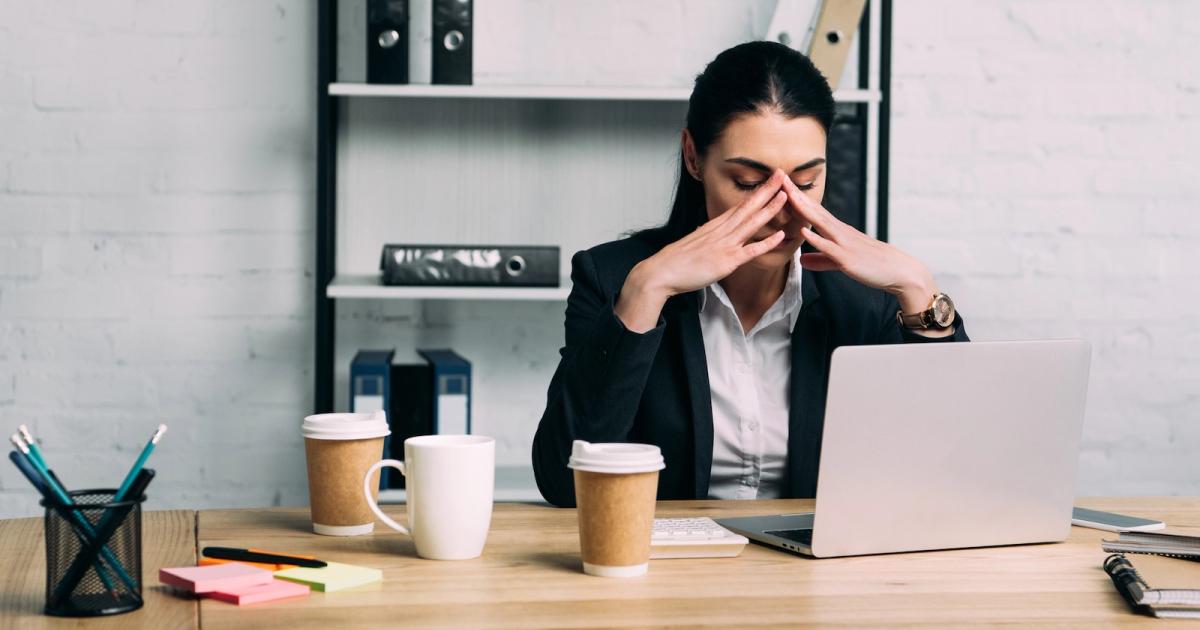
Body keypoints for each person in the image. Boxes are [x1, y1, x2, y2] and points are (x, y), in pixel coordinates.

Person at [532, 41, 968, 508]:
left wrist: (919, 288)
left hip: (817, 570)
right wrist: (646, 290)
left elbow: (955, 472)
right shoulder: (614, 277)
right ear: (694, 157)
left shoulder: (867, 297)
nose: (781, 211)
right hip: (664, 570)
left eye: (805, 184)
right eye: (747, 183)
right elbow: (564, 482)